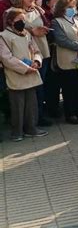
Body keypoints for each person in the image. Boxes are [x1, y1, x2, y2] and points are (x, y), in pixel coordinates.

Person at [0, 8, 48, 141]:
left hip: (31, 73)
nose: (22, 22)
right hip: (16, 75)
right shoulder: (3, 36)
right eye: (19, 20)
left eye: (23, 20)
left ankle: (31, 128)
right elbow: (6, 58)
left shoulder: (26, 34)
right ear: (10, 21)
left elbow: (36, 50)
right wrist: (25, 68)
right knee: (18, 106)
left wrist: (37, 62)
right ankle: (17, 132)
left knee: (31, 104)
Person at [12, 0, 52, 127]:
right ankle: (30, 119)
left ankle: (39, 115)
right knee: (30, 88)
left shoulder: (37, 9)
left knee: (41, 86)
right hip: (24, 53)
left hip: (42, 50)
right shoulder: (13, 12)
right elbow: (12, 30)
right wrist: (32, 30)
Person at [52, 0, 78, 125]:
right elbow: (62, 40)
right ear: (62, 8)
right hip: (67, 59)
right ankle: (70, 113)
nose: (72, 9)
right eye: (69, 7)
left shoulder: (77, 20)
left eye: (73, 7)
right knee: (69, 88)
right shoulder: (57, 22)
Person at [42, 0, 62, 118]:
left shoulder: (58, 15)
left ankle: (55, 107)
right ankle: (51, 109)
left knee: (56, 82)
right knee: (51, 83)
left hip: (58, 54)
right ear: (48, 2)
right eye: (56, 2)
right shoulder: (45, 15)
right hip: (48, 53)